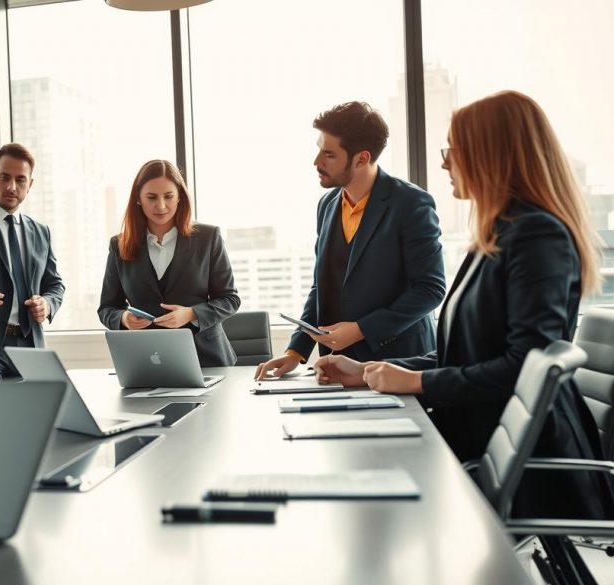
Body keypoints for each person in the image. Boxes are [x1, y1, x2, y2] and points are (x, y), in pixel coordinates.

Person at [314, 91, 612, 518]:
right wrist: (368, 371)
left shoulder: (535, 236)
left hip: (517, 465)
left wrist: (414, 383)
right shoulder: (497, 234)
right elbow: (469, 354)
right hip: (476, 438)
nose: (444, 162)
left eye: (453, 149)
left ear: (492, 155)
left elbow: (522, 366)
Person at [254, 102, 446, 379]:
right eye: (319, 149)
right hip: (337, 367)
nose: (317, 161)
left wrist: (360, 330)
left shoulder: (411, 203)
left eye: (329, 154)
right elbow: (322, 286)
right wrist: (295, 351)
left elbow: (430, 289)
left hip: (401, 365)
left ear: (361, 158)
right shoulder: (327, 204)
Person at [98, 159, 240, 367]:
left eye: (169, 196)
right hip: (147, 360)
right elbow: (107, 308)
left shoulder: (208, 238)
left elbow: (229, 299)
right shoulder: (119, 245)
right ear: (138, 199)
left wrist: (191, 314)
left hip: (207, 359)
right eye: (151, 197)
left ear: (180, 197)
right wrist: (123, 319)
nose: (161, 205)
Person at [0, 143, 65, 379]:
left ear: (30, 184)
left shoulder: (40, 231)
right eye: (4, 177)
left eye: (20, 180)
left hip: (30, 346)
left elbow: (54, 285)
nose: (12, 187)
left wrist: (47, 303)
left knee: (33, 415)